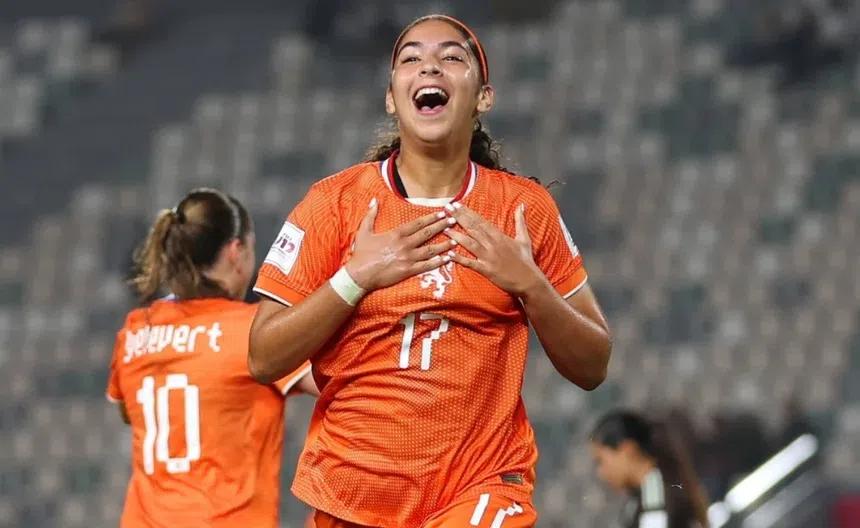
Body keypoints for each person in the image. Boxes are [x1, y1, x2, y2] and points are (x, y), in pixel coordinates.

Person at [249, 14, 612, 528]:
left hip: (479, 486)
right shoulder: (332, 204)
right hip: (352, 494)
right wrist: (354, 279)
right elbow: (263, 356)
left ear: (483, 97)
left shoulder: (523, 210)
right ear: (391, 98)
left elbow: (593, 365)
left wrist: (530, 284)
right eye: (412, 58)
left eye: (452, 57)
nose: (430, 66)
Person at [105, 188, 317, 527]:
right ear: (236, 251)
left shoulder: (136, 329)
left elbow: (129, 411)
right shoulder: (250, 331)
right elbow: (337, 384)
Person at [590, 410, 710, 528]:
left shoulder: (655, 497)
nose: (600, 473)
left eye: (600, 461)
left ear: (627, 449)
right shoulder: (641, 497)